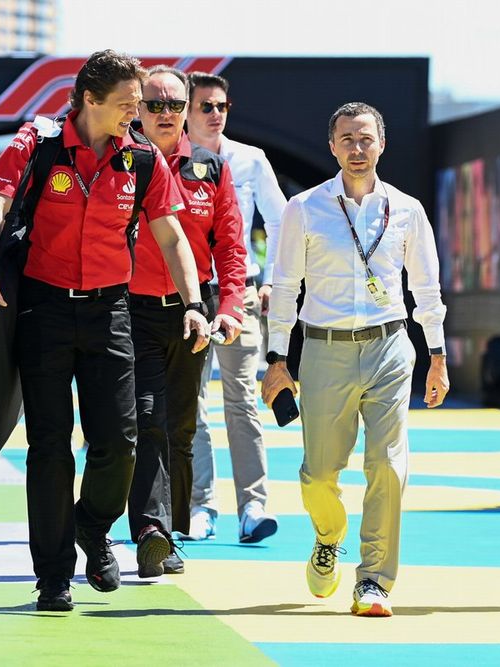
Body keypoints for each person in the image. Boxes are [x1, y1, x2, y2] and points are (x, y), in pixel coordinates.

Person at [0, 51, 209, 612]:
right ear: (89, 101)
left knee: (120, 442)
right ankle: (52, 576)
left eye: (140, 104)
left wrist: (194, 302)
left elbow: (172, 236)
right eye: (128, 104)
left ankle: (92, 527)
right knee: (49, 446)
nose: (138, 113)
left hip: (110, 313)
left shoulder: (143, 159)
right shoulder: (40, 143)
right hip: (44, 311)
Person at [261, 102, 449, 617]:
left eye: (366, 138)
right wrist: (277, 359)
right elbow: (285, 288)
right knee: (318, 474)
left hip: (391, 347)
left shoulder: (407, 209)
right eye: (347, 139)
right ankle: (328, 535)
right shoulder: (305, 207)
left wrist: (437, 354)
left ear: (381, 144)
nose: (357, 148)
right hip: (323, 349)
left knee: (388, 467)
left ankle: (374, 581)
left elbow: (426, 288)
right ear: (332, 147)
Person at [127, 65, 248, 577]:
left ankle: (169, 532)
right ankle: (149, 530)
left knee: (180, 426)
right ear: (136, 109)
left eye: (175, 105)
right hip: (128, 312)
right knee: (146, 421)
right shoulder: (119, 164)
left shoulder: (211, 169)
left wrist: (229, 307)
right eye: (154, 104)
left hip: (191, 315)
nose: (165, 114)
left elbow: (232, 247)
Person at [186, 71, 287, 543]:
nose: (214, 114)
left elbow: (282, 222)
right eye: (205, 105)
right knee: (191, 403)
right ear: (186, 110)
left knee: (243, 399)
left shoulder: (251, 159)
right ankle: (200, 505)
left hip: (239, 291)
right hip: (186, 296)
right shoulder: (169, 158)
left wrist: (272, 283)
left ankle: (253, 507)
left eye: (221, 106)